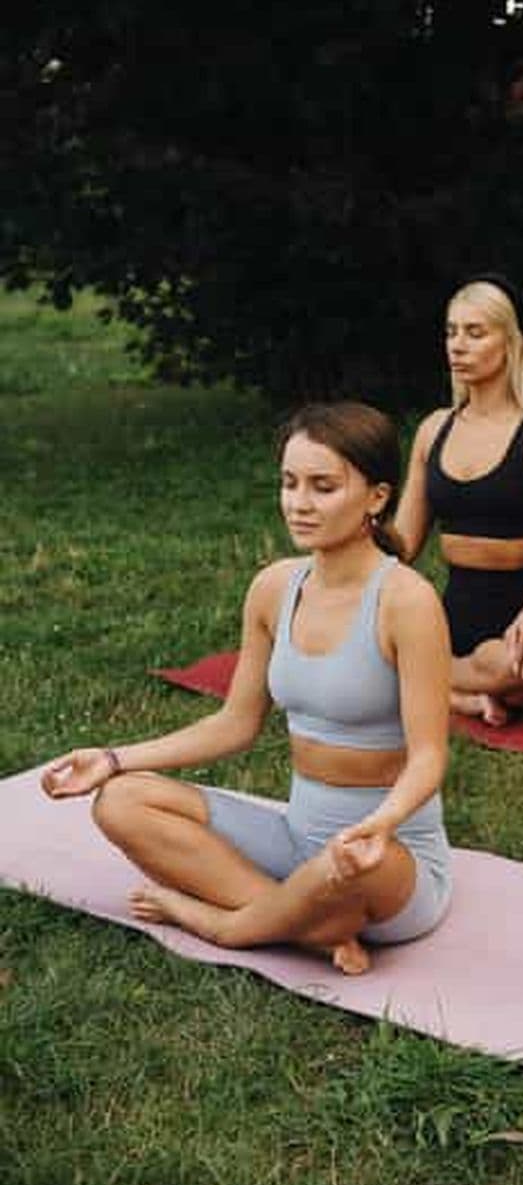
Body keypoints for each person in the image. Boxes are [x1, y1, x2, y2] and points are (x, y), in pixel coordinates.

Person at [41, 402, 453, 976]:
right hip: (295, 838)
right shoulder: (273, 588)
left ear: (376, 497)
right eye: (289, 483)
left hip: (387, 858)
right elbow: (234, 723)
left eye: (323, 487)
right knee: (121, 801)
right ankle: (309, 928)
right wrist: (112, 759)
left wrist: (380, 825)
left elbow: (430, 756)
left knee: (343, 869)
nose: (299, 503)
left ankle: (225, 925)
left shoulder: (407, 602)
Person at [396, 273, 523, 726]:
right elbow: (402, 544)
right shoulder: (433, 430)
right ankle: (464, 696)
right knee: (355, 636)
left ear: (512, 342)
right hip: (449, 622)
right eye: (451, 332)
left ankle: (425, 679)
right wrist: (348, 544)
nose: (457, 345)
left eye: (475, 333)